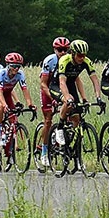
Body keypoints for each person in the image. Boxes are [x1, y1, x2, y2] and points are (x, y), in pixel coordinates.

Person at [55, 39, 100, 136]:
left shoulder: (86, 61)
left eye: (84, 55)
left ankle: (72, 142)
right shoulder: (64, 60)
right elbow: (62, 82)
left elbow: (95, 80)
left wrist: (98, 97)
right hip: (56, 85)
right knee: (68, 102)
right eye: (79, 55)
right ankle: (59, 128)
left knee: (76, 117)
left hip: (71, 86)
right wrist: (67, 98)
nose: (82, 58)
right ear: (72, 53)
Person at [0, 52, 34, 147]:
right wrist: (4, 105)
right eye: (14, 66)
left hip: (7, 95)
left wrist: (30, 104)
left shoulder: (20, 74)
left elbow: (25, 90)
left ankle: (11, 148)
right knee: (1, 106)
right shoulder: (1, 73)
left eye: (18, 66)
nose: (16, 68)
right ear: (8, 65)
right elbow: (0, 92)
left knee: (13, 119)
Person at [39, 36, 70, 164]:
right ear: (54, 49)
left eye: (65, 49)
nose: (63, 52)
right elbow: (43, 84)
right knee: (48, 121)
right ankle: (44, 152)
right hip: (48, 91)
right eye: (59, 49)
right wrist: (52, 98)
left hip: (61, 90)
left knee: (69, 116)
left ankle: (64, 148)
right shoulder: (49, 61)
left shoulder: (69, 60)